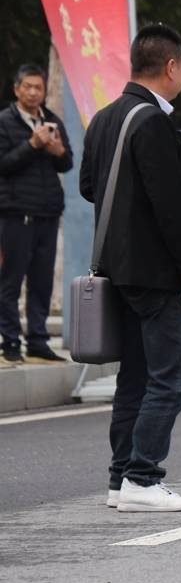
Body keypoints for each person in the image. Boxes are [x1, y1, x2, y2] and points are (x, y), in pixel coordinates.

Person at [79, 22, 181, 513]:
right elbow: (173, 208)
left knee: (134, 377)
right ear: (171, 67)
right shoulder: (152, 121)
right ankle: (142, 477)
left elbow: (89, 187)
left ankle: (120, 480)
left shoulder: (104, 118)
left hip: (118, 269)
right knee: (173, 377)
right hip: (159, 274)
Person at [0, 64, 72, 365]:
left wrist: (58, 151)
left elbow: (67, 163)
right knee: (11, 280)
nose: (33, 92)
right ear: (16, 90)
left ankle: (38, 342)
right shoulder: (4, 122)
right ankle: (10, 341)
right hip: (16, 213)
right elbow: (4, 165)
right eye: (27, 87)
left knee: (42, 282)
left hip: (48, 211)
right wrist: (32, 145)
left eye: (38, 88)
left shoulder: (52, 120)